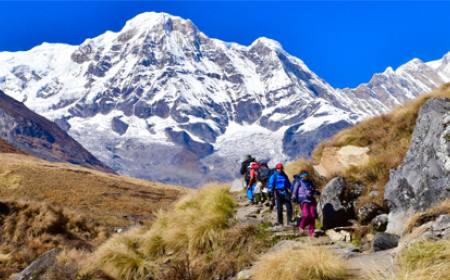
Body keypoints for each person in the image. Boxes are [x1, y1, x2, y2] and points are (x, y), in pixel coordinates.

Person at [291, 171, 320, 237]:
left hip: (311, 200)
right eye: (305, 176)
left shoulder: (310, 182)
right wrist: (293, 197)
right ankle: (301, 226)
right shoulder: (298, 182)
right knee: (306, 215)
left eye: (307, 176)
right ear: (301, 176)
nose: (306, 177)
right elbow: (295, 191)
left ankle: (311, 232)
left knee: (312, 216)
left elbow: (313, 190)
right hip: (303, 200)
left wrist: (316, 192)